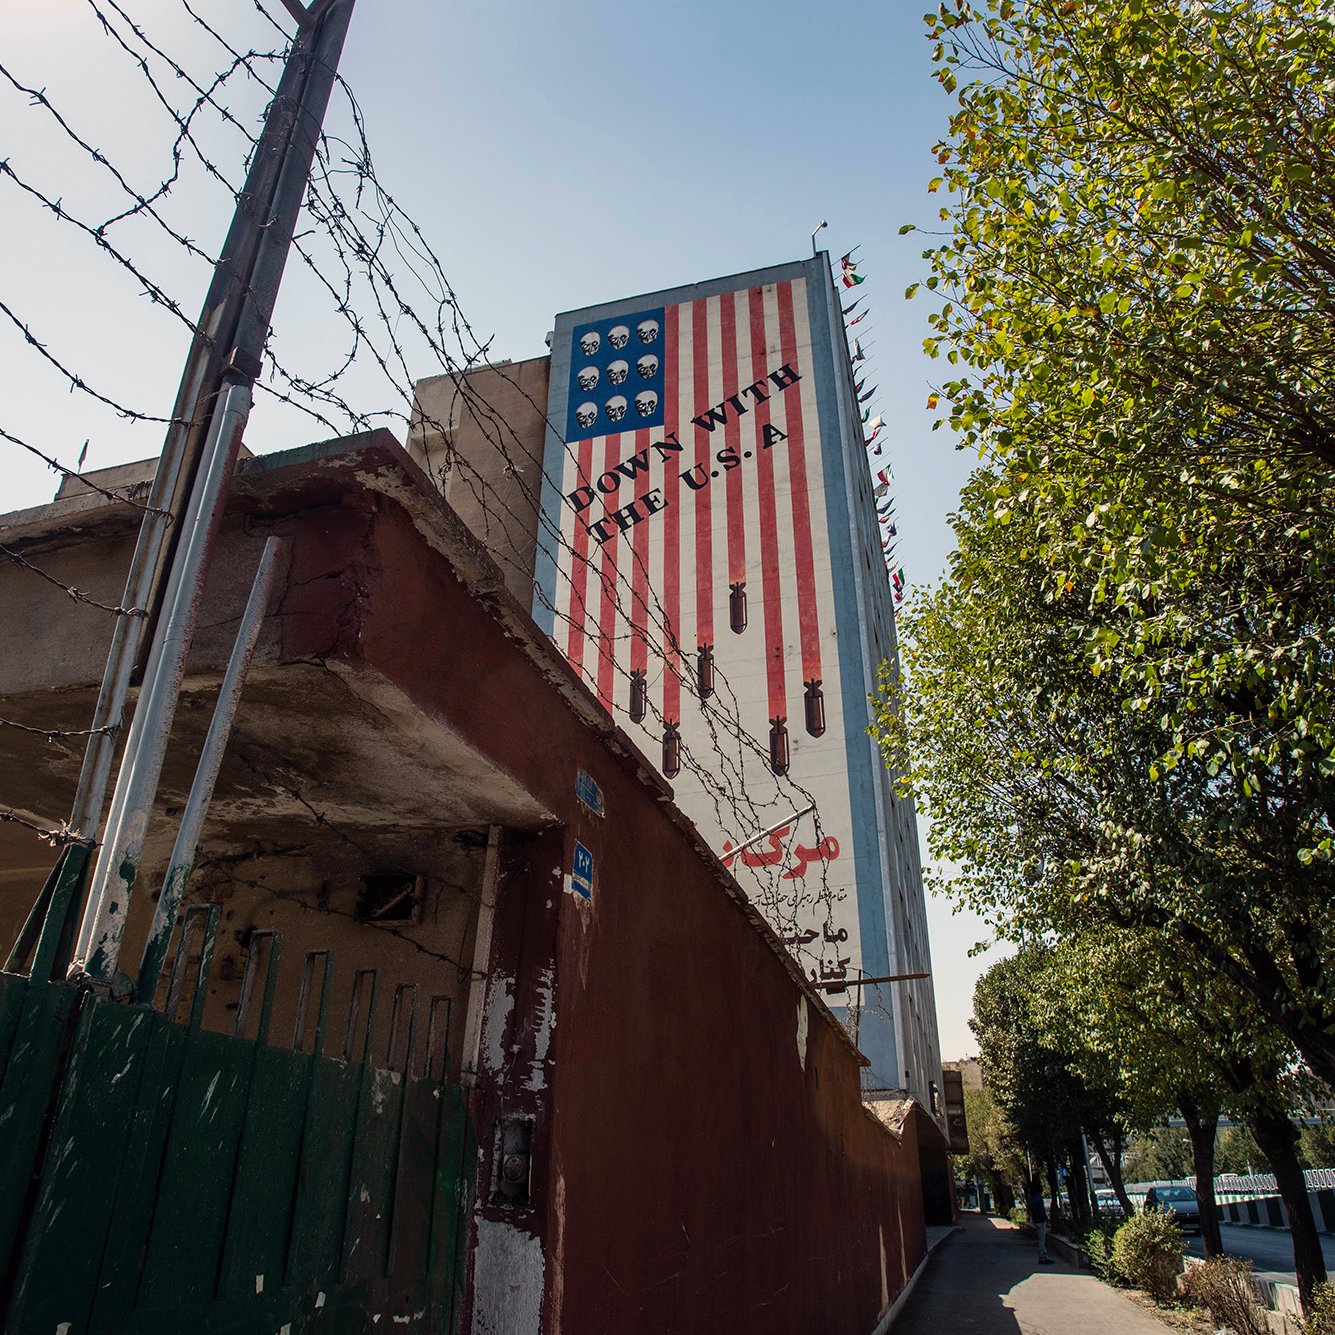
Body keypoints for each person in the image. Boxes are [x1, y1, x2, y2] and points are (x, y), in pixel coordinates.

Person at [1028, 1177, 1053, 1264]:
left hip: (1036, 1220)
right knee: (1042, 1239)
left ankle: (1044, 1255)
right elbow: (1041, 1211)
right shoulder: (1039, 1199)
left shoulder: (1033, 1198)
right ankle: (1042, 1256)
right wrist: (1045, 1219)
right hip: (1040, 1221)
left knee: (1041, 1239)